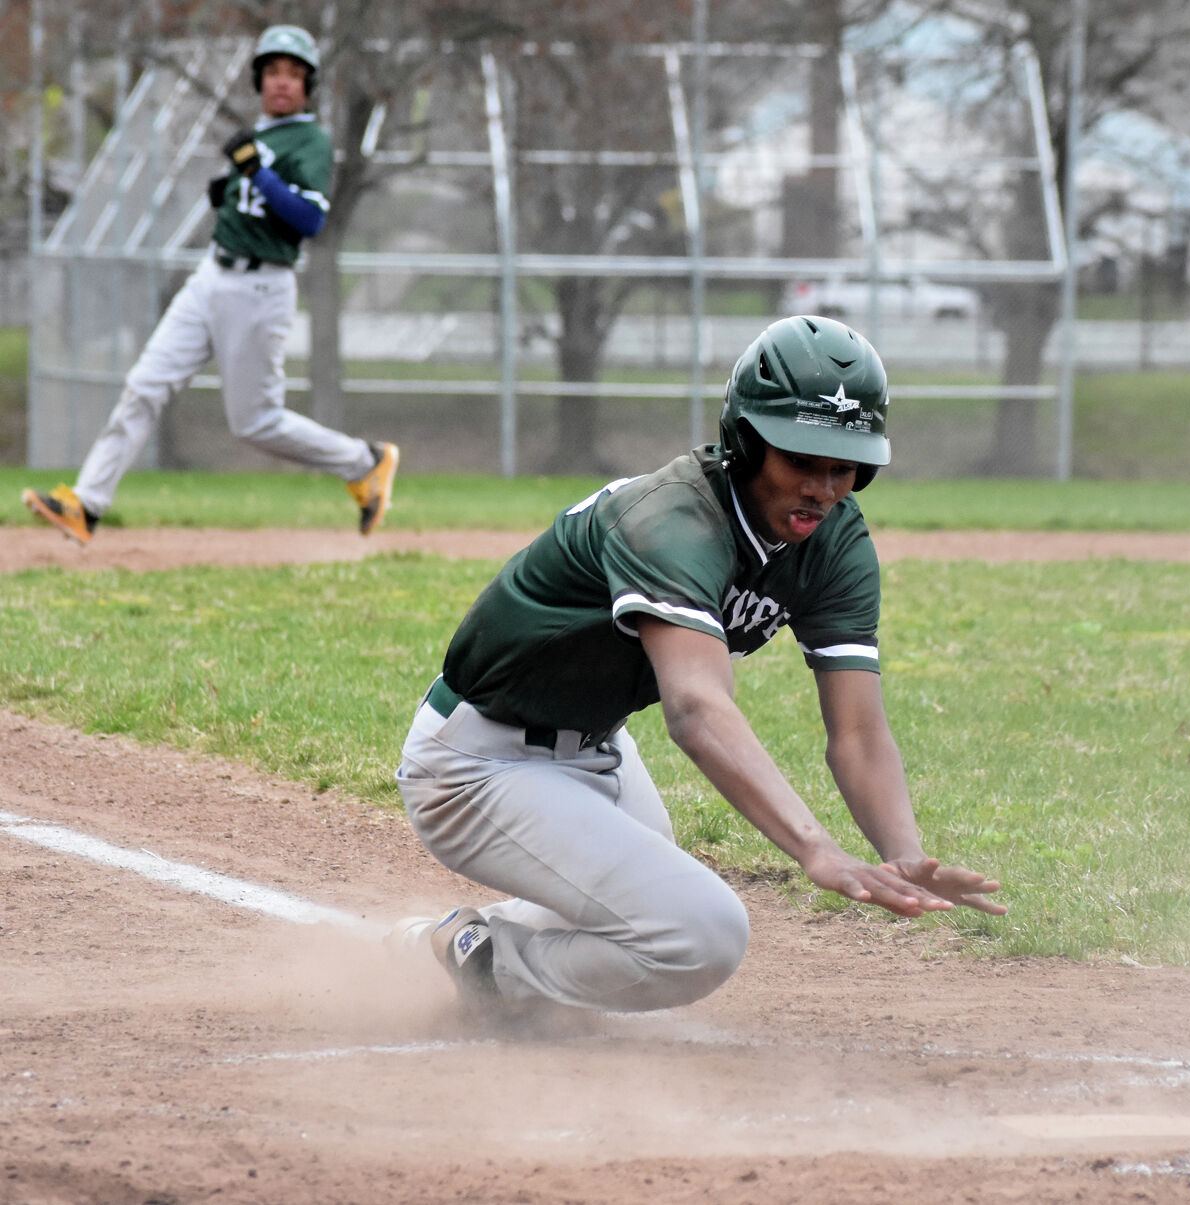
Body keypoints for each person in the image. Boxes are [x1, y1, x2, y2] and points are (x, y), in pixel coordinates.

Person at [388, 315, 1003, 1022]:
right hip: (476, 762)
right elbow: (697, 708)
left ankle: (446, 948)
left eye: (844, 465)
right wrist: (818, 850)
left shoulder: (833, 542)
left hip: (593, 750)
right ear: (745, 442)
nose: (822, 487)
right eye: (800, 457)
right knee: (697, 931)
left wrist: (903, 854)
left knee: (646, 923)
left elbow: (859, 732)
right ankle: (485, 965)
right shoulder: (674, 522)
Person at [22, 25, 399, 547]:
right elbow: (254, 197)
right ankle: (86, 504)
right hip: (211, 276)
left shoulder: (309, 140)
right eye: (272, 71)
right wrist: (232, 191)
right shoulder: (262, 136)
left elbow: (310, 221)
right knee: (144, 386)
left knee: (254, 423)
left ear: (308, 85)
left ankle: (365, 461)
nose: (282, 82)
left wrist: (258, 175)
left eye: (293, 73)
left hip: (261, 289)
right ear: (259, 81)